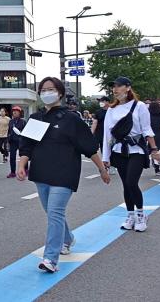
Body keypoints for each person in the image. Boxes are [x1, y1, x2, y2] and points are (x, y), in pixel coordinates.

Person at [17, 77, 109, 273]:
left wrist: (102, 169)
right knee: (51, 213)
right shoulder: (36, 118)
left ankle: (50, 258)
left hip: (65, 173)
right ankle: (67, 238)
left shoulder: (71, 119)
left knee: (55, 212)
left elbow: (89, 147)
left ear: (60, 93)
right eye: (43, 90)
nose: (46, 93)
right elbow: (27, 146)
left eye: (50, 89)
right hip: (41, 172)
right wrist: (22, 165)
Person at [102, 77, 160, 232]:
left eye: (118, 86)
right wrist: (105, 158)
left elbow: (147, 129)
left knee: (131, 182)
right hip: (118, 151)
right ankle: (130, 215)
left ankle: (141, 215)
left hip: (136, 150)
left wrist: (154, 149)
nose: (115, 90)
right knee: (125, 185)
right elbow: (107, 135)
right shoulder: (111, 109)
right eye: (113, 87)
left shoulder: (139, 106)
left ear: (128, 88)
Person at [91, 95, 116, 175]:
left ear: (107, 102)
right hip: (101, 134)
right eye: (100, 101)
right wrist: (91, 133)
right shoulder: (98, 112)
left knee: (112, 149)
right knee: (104, 149)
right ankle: (105, 166)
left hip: (112, 134)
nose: (100, 103)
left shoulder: (113, 111)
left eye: (102, 101)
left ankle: (112, 165)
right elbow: (95, 122)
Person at [7, 106, 27, 178]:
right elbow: (9, 131)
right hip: (12, 141)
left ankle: (25, 169)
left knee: (23, 155)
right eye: (13, 111)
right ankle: (13, 172)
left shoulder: (23, 121)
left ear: (20, 113)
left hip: (21, 141)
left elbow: (26, 132)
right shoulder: (11, 121)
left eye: (16, 111)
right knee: (12, 157)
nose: (14, 112)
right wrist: (8, 140)